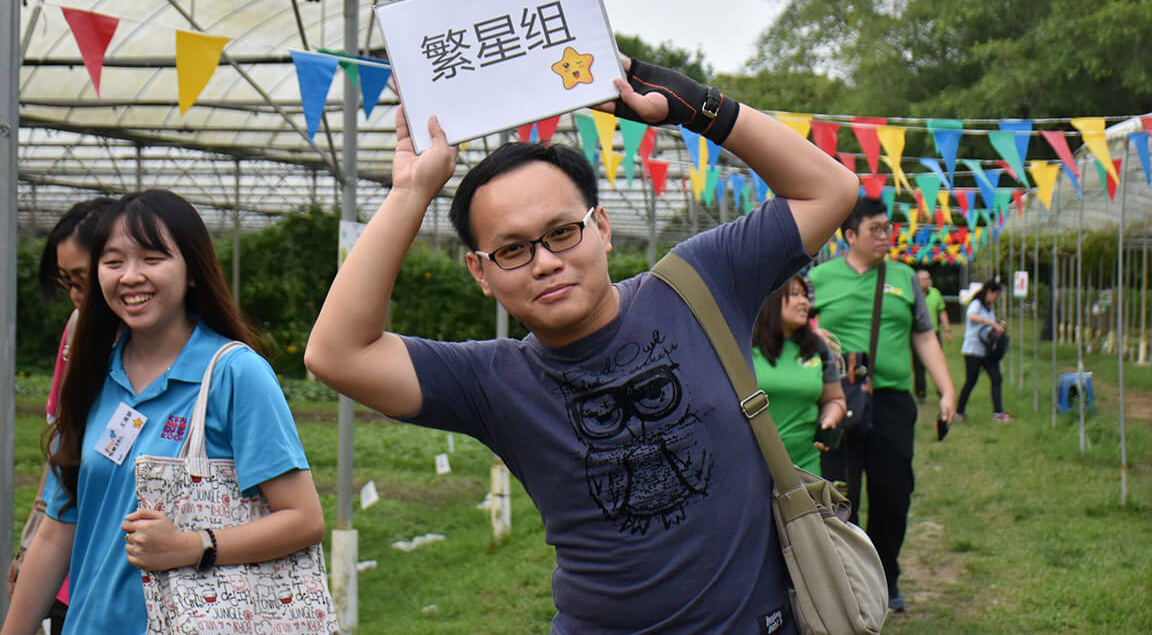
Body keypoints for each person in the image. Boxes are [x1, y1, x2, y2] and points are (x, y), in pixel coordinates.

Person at [306, 57, 859, 633]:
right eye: (513, 250)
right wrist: (410, 191)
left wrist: (695, 105)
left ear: (601, 228)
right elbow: (337, 354)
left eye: (562, 232)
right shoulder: (492, 382)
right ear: (480, 272)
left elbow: (831, 190)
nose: (545, 262)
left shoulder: (700, 283)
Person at [2, 189, 325, 635]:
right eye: (113, 262)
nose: (131, 276)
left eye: (152, 259)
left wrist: (194, 546)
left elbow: (304, 518)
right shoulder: (92, 374)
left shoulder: (234, 373)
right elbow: (57, 534)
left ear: (192, 270)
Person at [809, 196, 956, 614]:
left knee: (894, 493)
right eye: (875, 229)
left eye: (887, 228)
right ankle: (849, 584)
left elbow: (924, 336)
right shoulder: (820, 278)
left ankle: (886, 576)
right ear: (850, 235)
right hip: (836, 401)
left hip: (892, 402)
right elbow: (798, 328)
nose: (885, 236)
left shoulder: (904, 277)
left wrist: (946, 390)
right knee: (840, 496)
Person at [7, 197, 114, 634]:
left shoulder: (190, 360)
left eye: (82, 281)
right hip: (69, 567)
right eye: (67, 282)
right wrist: (29, 543)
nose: (75, 296)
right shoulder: (76, 333)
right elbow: (62, 451)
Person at [750, 274, 846, 474]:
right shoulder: (745, 346)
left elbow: (835, 399)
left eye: (805, 296)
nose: (804, 302)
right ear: (771, 300)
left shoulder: (817, 347)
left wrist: (828, 420)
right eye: (795, 295)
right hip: (752, 467)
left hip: (805, 467)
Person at [956, 279, 1010, 422]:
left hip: (987, 350)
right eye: (996, 295)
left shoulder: (989, 307)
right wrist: (991, 322)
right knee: (971, 381)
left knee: (996, 378)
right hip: (973, 350)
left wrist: (998, 327)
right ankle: (959, 412)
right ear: (989, 292)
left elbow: (989, 327)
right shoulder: (976, 304)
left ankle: (998, 413)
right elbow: (972, 317)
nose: (996, 298)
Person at [911, 268, 952, 402]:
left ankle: (942, 391)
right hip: (917, 334)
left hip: (934, 333)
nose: (927, 281)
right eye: (923, 279)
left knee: (937, 363)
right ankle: (921, 393)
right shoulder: (912, 294)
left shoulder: (935, 293)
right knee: (918, 366)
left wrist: (947, 329)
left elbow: (942, 311)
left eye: (928, 278)